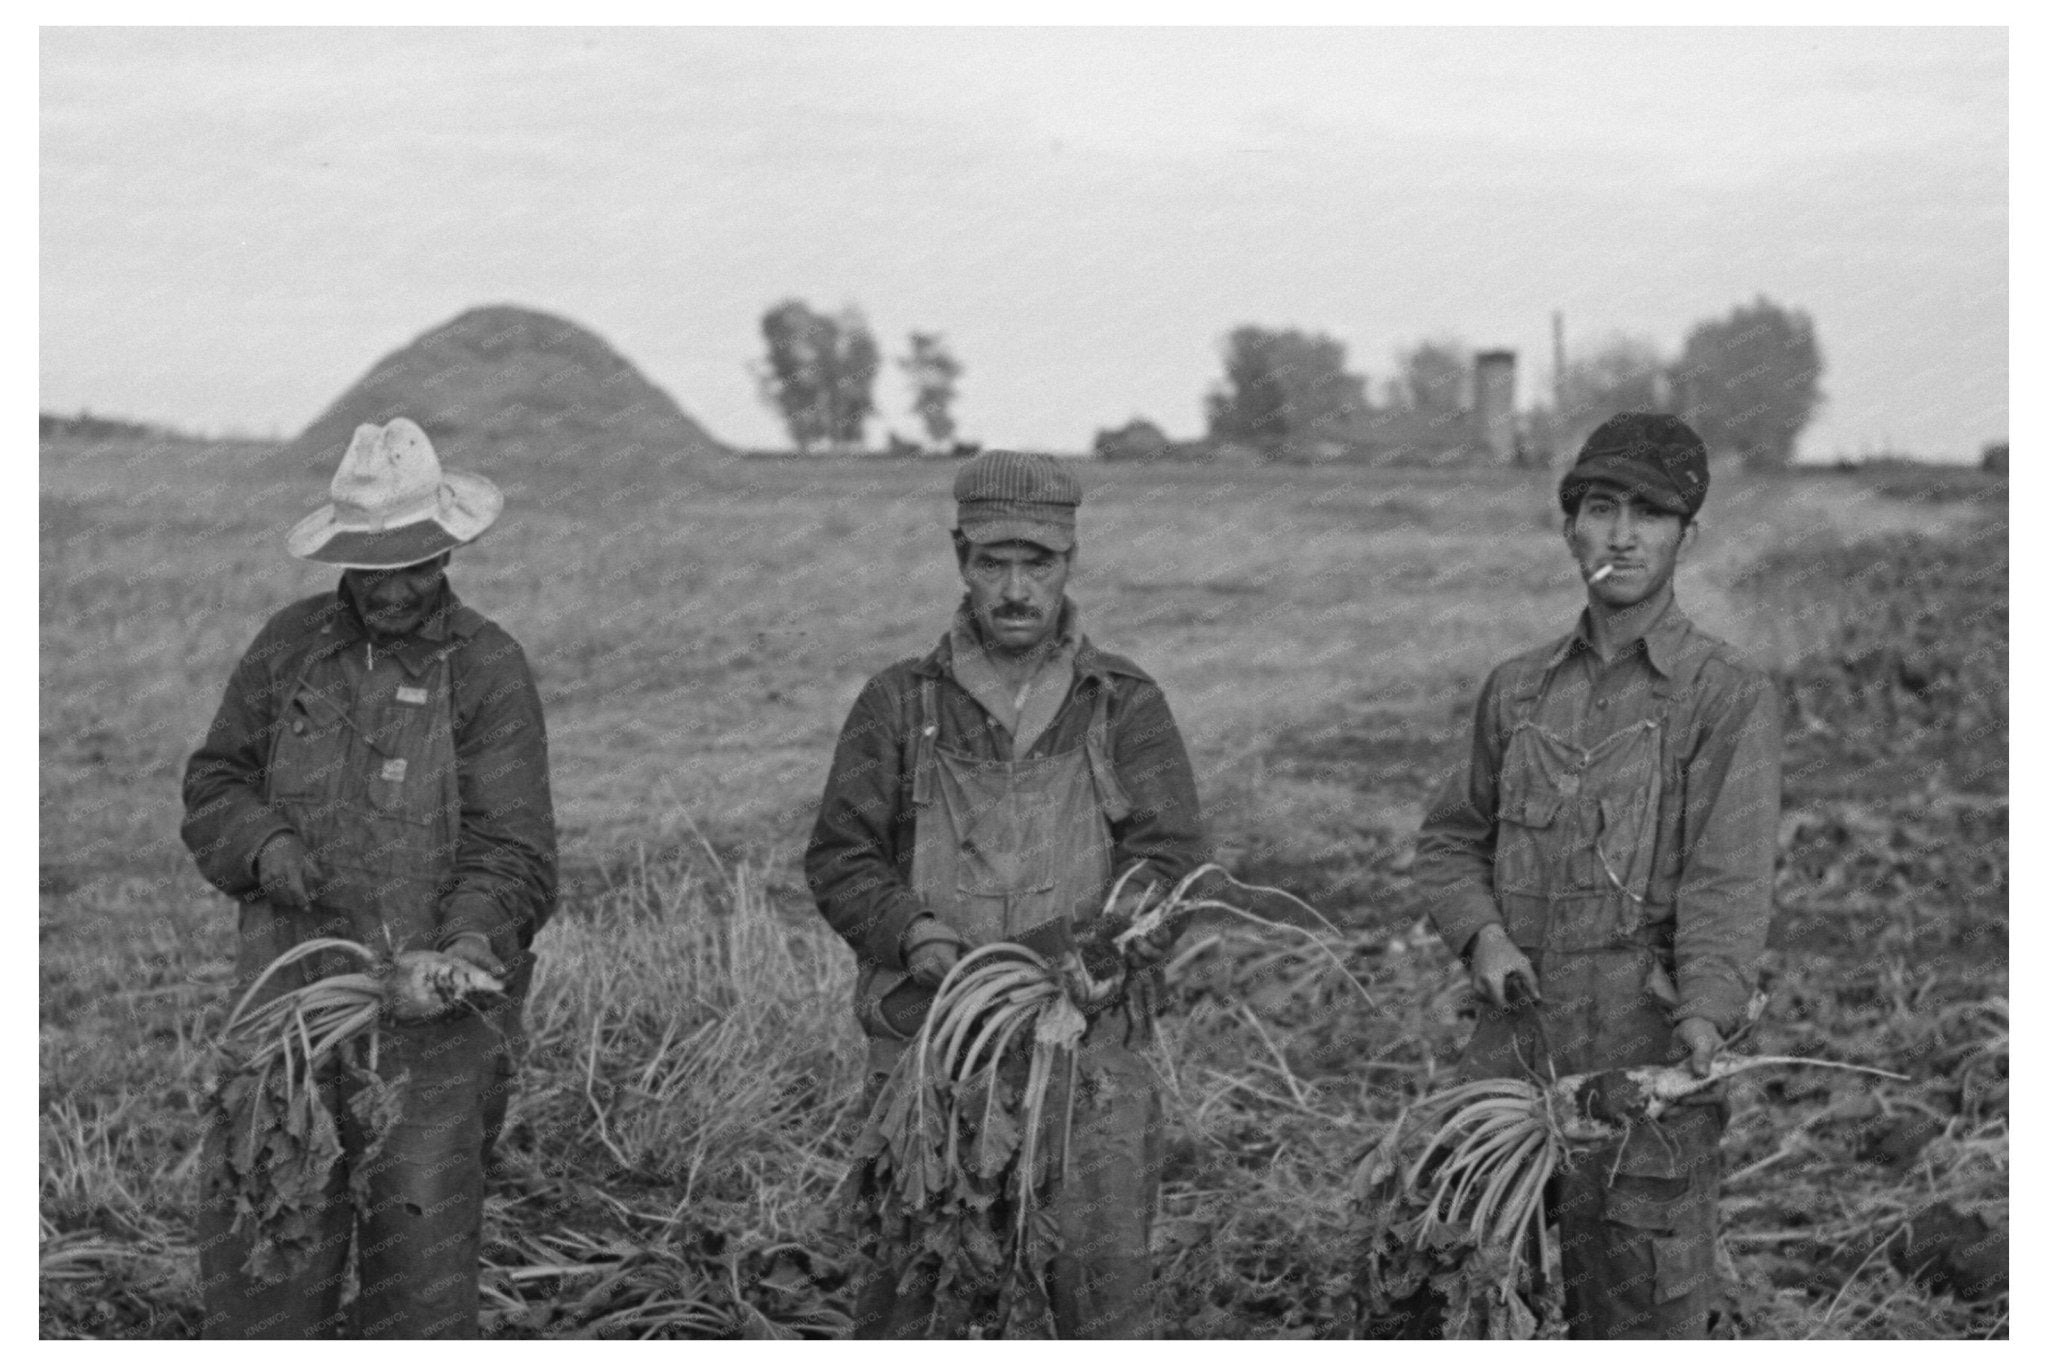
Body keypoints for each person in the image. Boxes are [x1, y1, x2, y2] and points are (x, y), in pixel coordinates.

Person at [806, 450, 1208, 1338]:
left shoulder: (1122, 704)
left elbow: (1170, 861)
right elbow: (841, 857)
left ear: (1071, 561)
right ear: (960, 560)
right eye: (994, 564)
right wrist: (912, 933)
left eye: (1039, 563)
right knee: (913, 1301)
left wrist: (1098, 951)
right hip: (930, 1049)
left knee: (1096, 1299)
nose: (1016, 589)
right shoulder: (898, 703)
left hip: (1087, 1058)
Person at [181, 417, 556, 1338]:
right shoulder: (288, 648)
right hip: (286, 1015)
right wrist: (263, 843)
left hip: (429, 1034)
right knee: (265, 1252)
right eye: (373, 563)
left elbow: (515, 850)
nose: (394, 587)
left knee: (417, 1284)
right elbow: (214, 780)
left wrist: (463, 946)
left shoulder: (487, 668)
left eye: (415, 562)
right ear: (342, 556)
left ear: (447, 549)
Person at [1411, 413, 1781, 1339]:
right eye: (1600, 508)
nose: (1621, 536)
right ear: (1568, 526)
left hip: (1640, 1067)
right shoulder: (1517, 689)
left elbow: (1727, 886)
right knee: (1479, 1303)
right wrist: (1484, 937)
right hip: (1511, 1064)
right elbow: (1452, 842)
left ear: (1685, 538)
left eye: (1648, 516)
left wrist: (1702, 1016)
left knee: (1640, 1321)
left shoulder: (1724, 695)